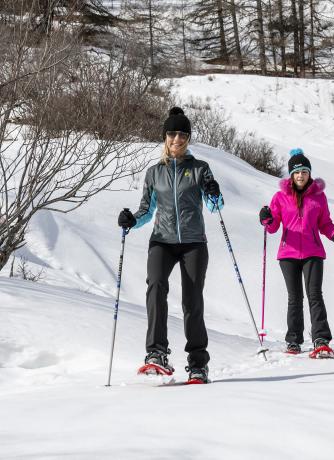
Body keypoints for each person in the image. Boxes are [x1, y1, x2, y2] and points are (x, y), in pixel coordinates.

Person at [118, 107, 223, 383]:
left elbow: (215, 206)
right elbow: (145, 211)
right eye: (172, 133)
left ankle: (198, 362)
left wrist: (214, 193)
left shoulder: (200, 168)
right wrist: (131, 220)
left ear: (188, 138)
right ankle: (156, 353)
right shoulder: (154, 173)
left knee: (192, 300)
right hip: (162, 241)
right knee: (155, 287)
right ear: (165, 136)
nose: (177, 138)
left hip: (193, 243)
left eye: (182, 134)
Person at [259, 148, 334, 358]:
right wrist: (267, 218)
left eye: (304, 172)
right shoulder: (280, 197)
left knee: (315, 294)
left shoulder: (318, 197)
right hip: (288, 254)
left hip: (313, 252)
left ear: (309, 174)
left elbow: (325, 223)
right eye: (296, 172)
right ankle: (294, 340)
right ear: (291, 175)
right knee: (295, 297)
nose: (300, 176)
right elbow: (272, 227)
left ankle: (321, 338)